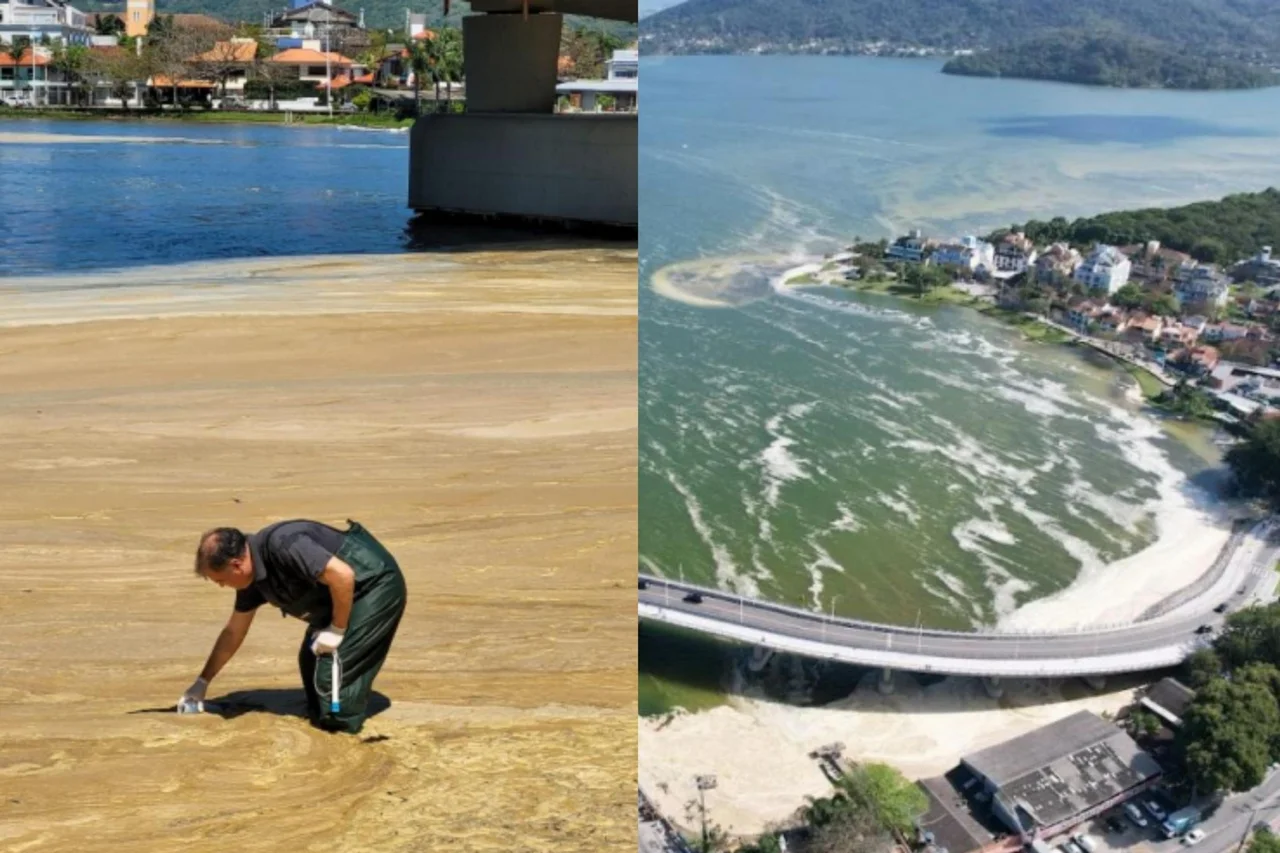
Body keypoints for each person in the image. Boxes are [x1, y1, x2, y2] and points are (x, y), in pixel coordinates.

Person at [180, 519, 407, 734]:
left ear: (236, 565)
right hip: (338, 599)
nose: (222, 586)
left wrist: (337, 631)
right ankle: (324, 718)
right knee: (310, 663)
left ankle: (344, 736)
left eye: (221, 580)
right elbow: (233, 632)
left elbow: (343, 575)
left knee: (331, 677)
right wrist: (202, 682)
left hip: (375, 585)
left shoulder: (284, 544)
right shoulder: (250, 581)